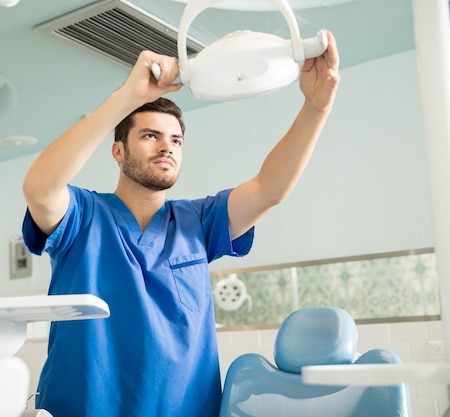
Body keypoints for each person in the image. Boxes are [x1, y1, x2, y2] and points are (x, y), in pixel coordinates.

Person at [21, 30, 340, 417]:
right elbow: (39, 189)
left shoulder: (198, 221)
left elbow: (269, 189)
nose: (167, 146)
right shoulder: (82, 217)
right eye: (151, 135)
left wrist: (316, 108)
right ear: (118, 152)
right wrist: (127, 98)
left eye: (176, 140)